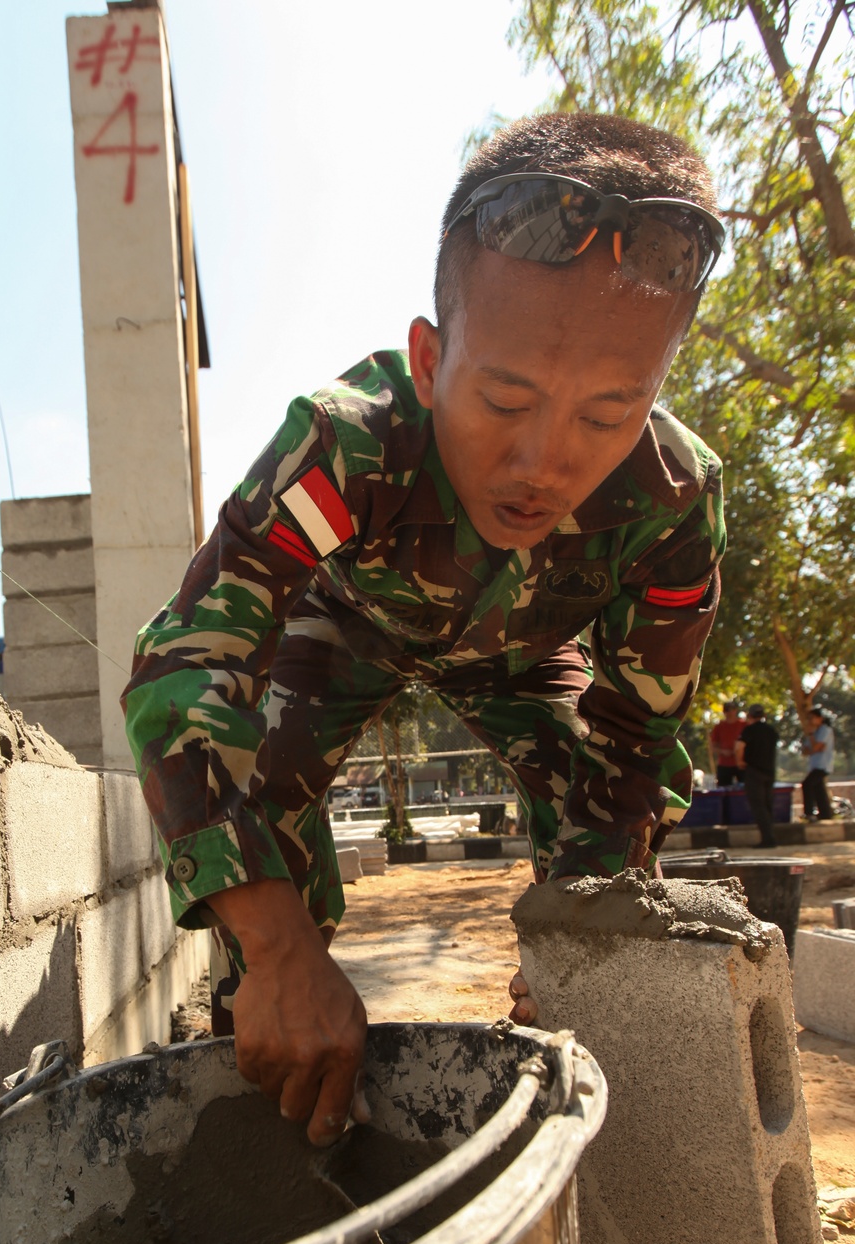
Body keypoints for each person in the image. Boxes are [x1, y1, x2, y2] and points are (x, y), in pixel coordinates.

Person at [123, 113, 726, 1146]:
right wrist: (277, 948)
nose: (542, 461)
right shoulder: (350, 443)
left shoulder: (672, 500)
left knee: (607, 908)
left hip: (531, 660)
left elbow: (636, 740)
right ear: (430, 356)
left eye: (606, 414)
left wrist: (582, 939)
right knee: (257, 805)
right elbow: (185, 662)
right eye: (503, 398)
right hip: (349, 630)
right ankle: (261, 1093)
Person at [735, 704, 779, 847]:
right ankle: (771, 836)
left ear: (750, 716)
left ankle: (767, 839)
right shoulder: (771, 731)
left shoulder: (749, 730)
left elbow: (739, 747)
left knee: (758, 806)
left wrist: (740, 761)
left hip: (754, 771)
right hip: (770, 772)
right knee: (767, 805)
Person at [802, 707, 835, 820]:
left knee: (807, 784)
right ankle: (826, 814)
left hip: (822, 765)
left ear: (820, 718)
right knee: (818, 790)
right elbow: (805, 751)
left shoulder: (825, 730)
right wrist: (811, 739)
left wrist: (812, 739)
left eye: (812, 718)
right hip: (814, 765)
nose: (810, 721)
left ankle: (809, 812)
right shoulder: (813, 732)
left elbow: (817, 747)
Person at [710, 702, 743, 786]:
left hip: (741, 764)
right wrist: (722, 751)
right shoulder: (719, 727)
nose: (729, 713)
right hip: (724, 764)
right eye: (727, 711)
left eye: (731, 710)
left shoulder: (743, 725)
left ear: (735, 711)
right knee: (722, 790)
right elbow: (713, 746)